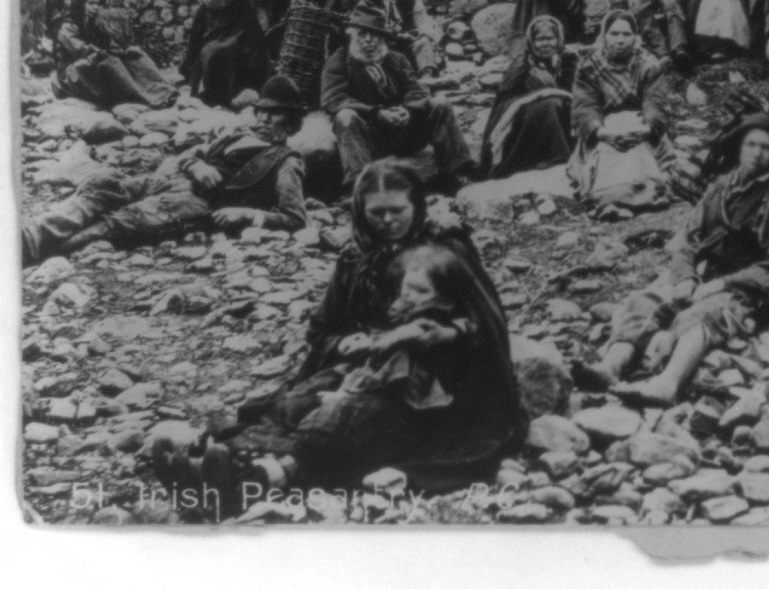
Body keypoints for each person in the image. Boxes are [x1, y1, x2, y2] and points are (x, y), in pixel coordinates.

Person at [160, 161, 526, 507]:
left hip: (437, 390)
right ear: (360, 211)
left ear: (417, 205)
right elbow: (323, 328)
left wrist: (419, 342)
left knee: (342, 419)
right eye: (376, 213)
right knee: (294, 405)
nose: (387, 221)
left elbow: (483, 332)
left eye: (397, 210)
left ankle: (250, 481)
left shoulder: (446, 252)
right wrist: (346, 345)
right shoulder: (357, 260)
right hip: (362, 368)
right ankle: (220, 472)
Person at [572, 114, 769, 405]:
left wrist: (722, 284)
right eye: (751, 144)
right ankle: (611, 367)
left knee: (700, 315)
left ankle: (668, 383)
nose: (757, 153)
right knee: (645, 301)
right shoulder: (721, 186)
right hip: (704, 275)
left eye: (766, 148)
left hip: (747, 289)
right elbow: (689, 238)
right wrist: (685, 277)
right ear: (740, 147)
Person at [22, 75, 309, 267]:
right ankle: (31, 237)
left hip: (199, 202)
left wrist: (246, 214)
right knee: (103, 187)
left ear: (292, 122)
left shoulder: (286, 161)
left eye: (275, 113)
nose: (264, 117)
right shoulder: (237, 134)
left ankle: (40, 256)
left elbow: (295, 218)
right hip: (167, 179)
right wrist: (196, 165)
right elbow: (190, 152)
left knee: (120, 222)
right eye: (261, 111)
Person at [319, 8, 477, 192]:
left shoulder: (396, 59)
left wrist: (408, 109)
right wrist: (376, 113)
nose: (368, 40)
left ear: (383, 39)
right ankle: (361, 186)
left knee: (440, 103)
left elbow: (416, 89)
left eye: (375, 35)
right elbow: (333, 99)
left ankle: (458, 170)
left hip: (405, 132)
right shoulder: (338, 62)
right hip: (370, 139)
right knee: (345, 116)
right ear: (351, 36)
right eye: (362, 34)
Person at [567, 10, 677, 211]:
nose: (620, 40)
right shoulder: (588, 67)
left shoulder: (649, 65)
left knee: (645, 158)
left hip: (641, 127)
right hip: (603, 129)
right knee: (603, 154)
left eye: (626, 34)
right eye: (614, 34)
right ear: (604, 36)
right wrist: (601, 132)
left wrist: (647, 129)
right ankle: (608, 194)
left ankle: (645, 191)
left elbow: (656, 102)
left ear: (635, 37)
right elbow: (585, 107)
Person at [479, 15, 577, 179]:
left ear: (558, 38)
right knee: (549, 105)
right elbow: (506, 100)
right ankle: (557, 157)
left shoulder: (567, 60)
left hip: (560, 114)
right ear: (532, 42)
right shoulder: (522, 63)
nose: (545, 44)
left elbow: (573, 91)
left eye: (550, 38)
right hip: (524, 121)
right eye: (540, 39)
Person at [52, 0, 178, 110]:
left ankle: (163, 90)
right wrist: (106, 53)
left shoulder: (94, 23)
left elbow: (108, 43)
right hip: (73, 71)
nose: (96, 7)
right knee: (109, 60)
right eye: (91, 3)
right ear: (79, 3)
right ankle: (145, 98)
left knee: (134, 54)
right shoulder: (67, 27)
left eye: (98, 4)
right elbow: (82, 50)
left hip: (93, 61)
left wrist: (122, 51)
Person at [181, 0, 269, 110]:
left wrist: (235, 40)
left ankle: (227, 97)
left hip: (238, 40)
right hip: (212, 40)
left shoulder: (242, 6)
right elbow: (196, 34)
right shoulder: (206, 8)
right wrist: (192, 54)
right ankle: (208, 94)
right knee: (210, 51)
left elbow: (251, 30)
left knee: (222, 50)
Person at [355, 0, 443, 76]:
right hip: (380, 45)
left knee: (423, 42)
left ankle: (427, 75)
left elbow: (425, 27)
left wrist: (407, 35)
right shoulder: (368, 1)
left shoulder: (411, 1)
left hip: (406, 45)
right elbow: (357, 21)